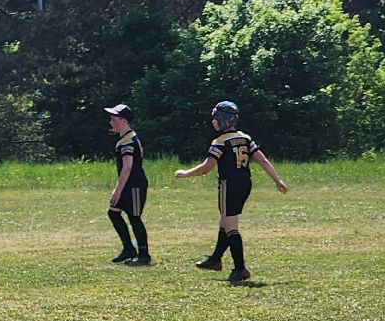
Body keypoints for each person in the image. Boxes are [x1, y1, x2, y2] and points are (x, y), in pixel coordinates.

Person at [174, 101, 288, 283]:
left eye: (215, 118)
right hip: (245, 184)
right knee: (224, 222)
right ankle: (215, 259)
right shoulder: (245, 137)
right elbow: (263, 160)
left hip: (229, 185)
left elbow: (207, 167)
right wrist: (277, 180)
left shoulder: (220, 141)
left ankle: (240, 269)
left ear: (224, 120)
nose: (212, 121)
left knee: (230, 227)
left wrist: (185, 173)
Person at [104, 103, 151, 266]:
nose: (111, 122)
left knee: (134, 217)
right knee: (113, 213)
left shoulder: (128, 141)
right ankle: (129, 249)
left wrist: (118, 190)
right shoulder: (124, 139)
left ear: (124, 121)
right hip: (128, 185)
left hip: (135, 186)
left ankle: (144, 255)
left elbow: (128, 166)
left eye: (114, 119)